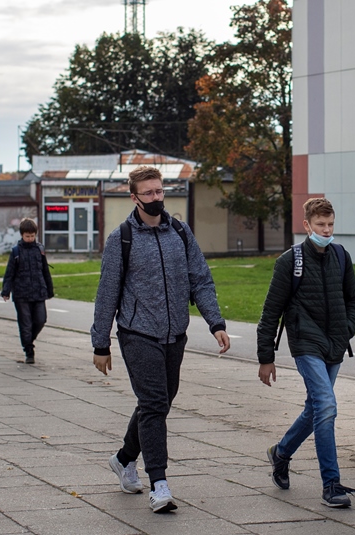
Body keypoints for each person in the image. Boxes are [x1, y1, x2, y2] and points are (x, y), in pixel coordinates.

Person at [91, 166, 230, 514]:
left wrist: (215, 322)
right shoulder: (121, 238)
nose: (156, 198)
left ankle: (124, 459)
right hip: (138, 333)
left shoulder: (179, 233)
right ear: (134, 196)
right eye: (148, 193)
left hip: (174, 335)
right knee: (154, 405)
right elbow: (107, 293)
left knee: (159, 402)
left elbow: (201, 279)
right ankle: (160, 484)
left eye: (159, 192)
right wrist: (100, 344)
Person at [257, 198, 355, 508]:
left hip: (335, 344)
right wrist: (266, 357)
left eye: (330, 225)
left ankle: (281, 452)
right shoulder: (290, 261)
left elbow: (354, 298)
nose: (326, 231)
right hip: (306, 344)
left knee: (315, 408)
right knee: (327, 406)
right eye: (320, 226)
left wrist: (347, 329)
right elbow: (270, 312)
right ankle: (331, 484)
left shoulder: (341, 256)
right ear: (307, 225)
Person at [0, 218, 54, 364]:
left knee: (41, 320)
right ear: (22, 235)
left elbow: (45, 271)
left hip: (38, 291)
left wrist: (49, 289)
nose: (30, 239)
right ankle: (29, 351)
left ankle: (29, 340)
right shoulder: (16, 252)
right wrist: (6, 291)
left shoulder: (40, 250)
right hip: (21, 293)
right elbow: (9, 272)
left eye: (32, 236)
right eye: (27, 236)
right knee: (25, 323)